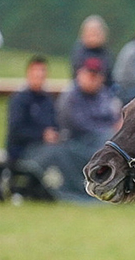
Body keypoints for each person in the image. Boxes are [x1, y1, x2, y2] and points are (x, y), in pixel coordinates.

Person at [25, 56, 120, 201]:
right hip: (76, 143)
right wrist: (108, 130)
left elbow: (113, 117)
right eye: (89, 74)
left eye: (96, 75)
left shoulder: (104, 95)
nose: (92, 79)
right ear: (80, 74)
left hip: (99, 142)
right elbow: (79, 125)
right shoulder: (70, 97)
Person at [6, 55, 58, 165]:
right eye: (36, 71)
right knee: (56, 155)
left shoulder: (48, 100)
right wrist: (42, 135)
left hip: (46, 147)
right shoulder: (19, 99)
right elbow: (16, 131)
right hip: (23, 150)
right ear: (28, 73)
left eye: (42, 70)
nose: (39, 74)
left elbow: (55, 123)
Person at [70, 14, 114, 86]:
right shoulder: (79, 52)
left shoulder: (106, 53)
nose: (94, 36)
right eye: (91, 32)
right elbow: (77, 74)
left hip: (103, 90)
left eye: (97, 32)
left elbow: (108, 74)